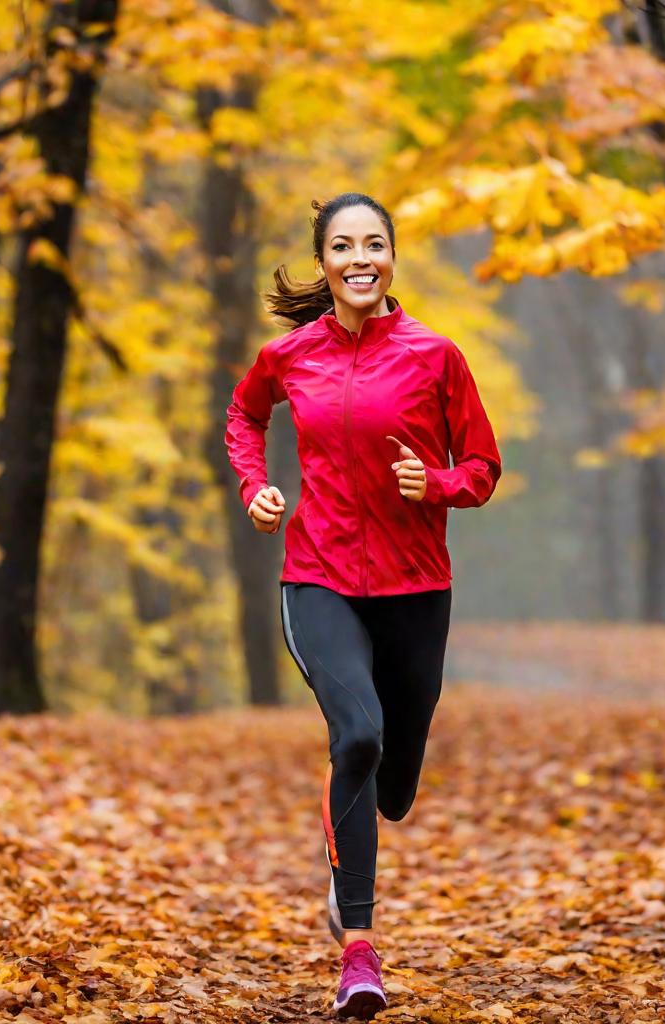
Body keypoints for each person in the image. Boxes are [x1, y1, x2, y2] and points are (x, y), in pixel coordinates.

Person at [225, 192, 501, 1020]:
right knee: (358, 736)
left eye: (373, 244)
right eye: (342, 246)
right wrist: (257, 485)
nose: (358, 259)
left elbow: (483, 465)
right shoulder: (289, 355)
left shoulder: (435, 356)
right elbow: (244, 416)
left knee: (397, 778)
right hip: (319, 577)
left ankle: (367, 816)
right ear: (324, 262)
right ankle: (358, 948)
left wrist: (440, 483)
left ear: (391, 258)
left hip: (416, 588)